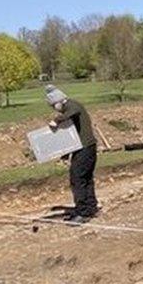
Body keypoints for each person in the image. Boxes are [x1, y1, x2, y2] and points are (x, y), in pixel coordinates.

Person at [46, 85, 97, 223]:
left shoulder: (72, 106)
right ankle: (91, 207)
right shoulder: (70, 108)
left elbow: (73, 112)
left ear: (58, 101)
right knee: (86, 178)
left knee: (78, 179)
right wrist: (65, 155)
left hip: (85, 148)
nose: (53, 109)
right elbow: (70, 136)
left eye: (53, 106)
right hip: (85, 148)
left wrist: (56, 120)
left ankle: (83, 212)